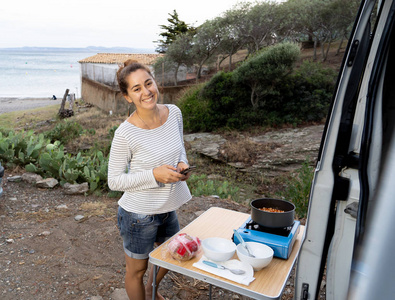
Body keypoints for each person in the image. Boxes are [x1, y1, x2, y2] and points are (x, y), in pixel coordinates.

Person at [108, 59, 192, 300]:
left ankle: (149, 291)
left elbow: (180, 148)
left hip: (168, 207)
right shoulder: (125, 133)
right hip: (138, 215)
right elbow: (114, 181)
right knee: (137, 270)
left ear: (156, 83)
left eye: (148, 83)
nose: (146, 92)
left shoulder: (174, 112)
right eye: (136, 89)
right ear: (127, 97)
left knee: (172, 255)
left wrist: (182, 164)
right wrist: (155, 175)